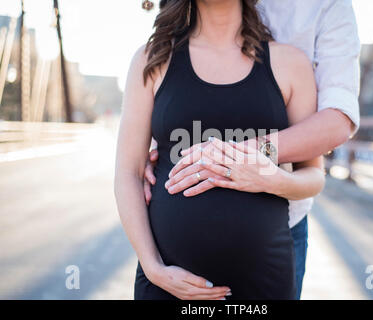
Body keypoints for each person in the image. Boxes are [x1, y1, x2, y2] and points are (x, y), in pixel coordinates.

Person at [144, 0, 361, 299]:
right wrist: (154, 147)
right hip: (170, 267)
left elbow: (337, 121)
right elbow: (133, 160)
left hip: (277, 235)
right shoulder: (159, 56)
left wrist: (242, 155)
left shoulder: (320, 13)